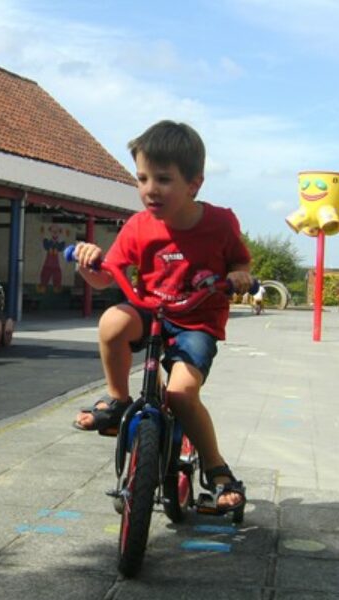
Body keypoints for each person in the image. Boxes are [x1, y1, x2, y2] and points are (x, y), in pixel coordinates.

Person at [71, 120, 253, 513]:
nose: (150, 189)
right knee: (112, 322)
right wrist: (88, 264)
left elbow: (239, 259)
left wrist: (240, 275)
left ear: (194, 184)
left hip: (196, 321)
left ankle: (218, 471)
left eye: (164, 179)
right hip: (150, 309)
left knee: (181, 394)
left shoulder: (219, 222)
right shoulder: (139, 226)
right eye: (142, 178)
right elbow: (106, 277)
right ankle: (118, 398)